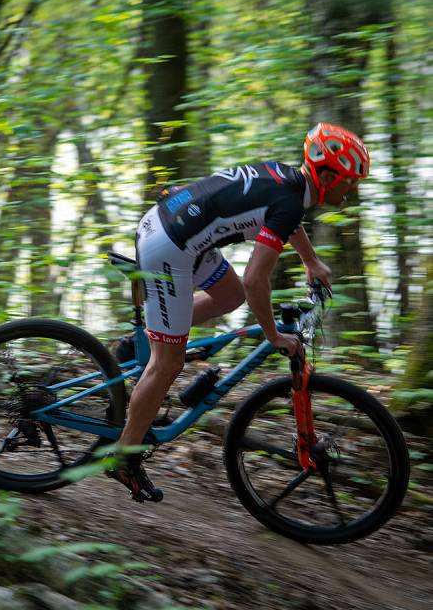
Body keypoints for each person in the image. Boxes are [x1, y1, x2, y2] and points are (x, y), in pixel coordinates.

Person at [107, 122, 370, 503]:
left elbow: (283, 223)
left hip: (180, 229)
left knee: (228, 295)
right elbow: (255, 280)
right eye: (350, 181)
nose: (353, 190)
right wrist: (274, 336)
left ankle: (141, 341)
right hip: (170, 245)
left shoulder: (290, 181)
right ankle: (123, 457)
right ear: (328, 175)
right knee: (169, 364)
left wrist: (311, 261)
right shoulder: (291, 201)